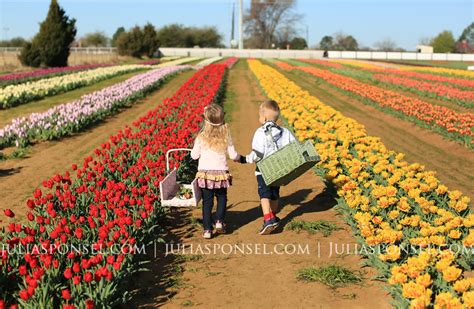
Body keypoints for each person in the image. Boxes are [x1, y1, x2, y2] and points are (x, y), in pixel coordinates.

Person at [237, 100, 296, 235]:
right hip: (279, 170)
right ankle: (273, 215)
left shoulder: (260, 132)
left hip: (264, 170)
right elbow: (294, 147)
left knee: (264, 194)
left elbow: (257, 154)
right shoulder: (285, 132)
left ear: (263, 118)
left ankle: (268, 219)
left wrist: (245, 159)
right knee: (274, 194)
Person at [191, 104, 239, 239]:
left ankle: (207, 230)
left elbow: (194, 156)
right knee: (222, 197)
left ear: (206, 121)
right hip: (220, 174)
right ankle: (219, 221)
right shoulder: (226, 135)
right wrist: (239, 158)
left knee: (207, 202)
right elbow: (233, 155)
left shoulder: (201, 137)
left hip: (205, 174)